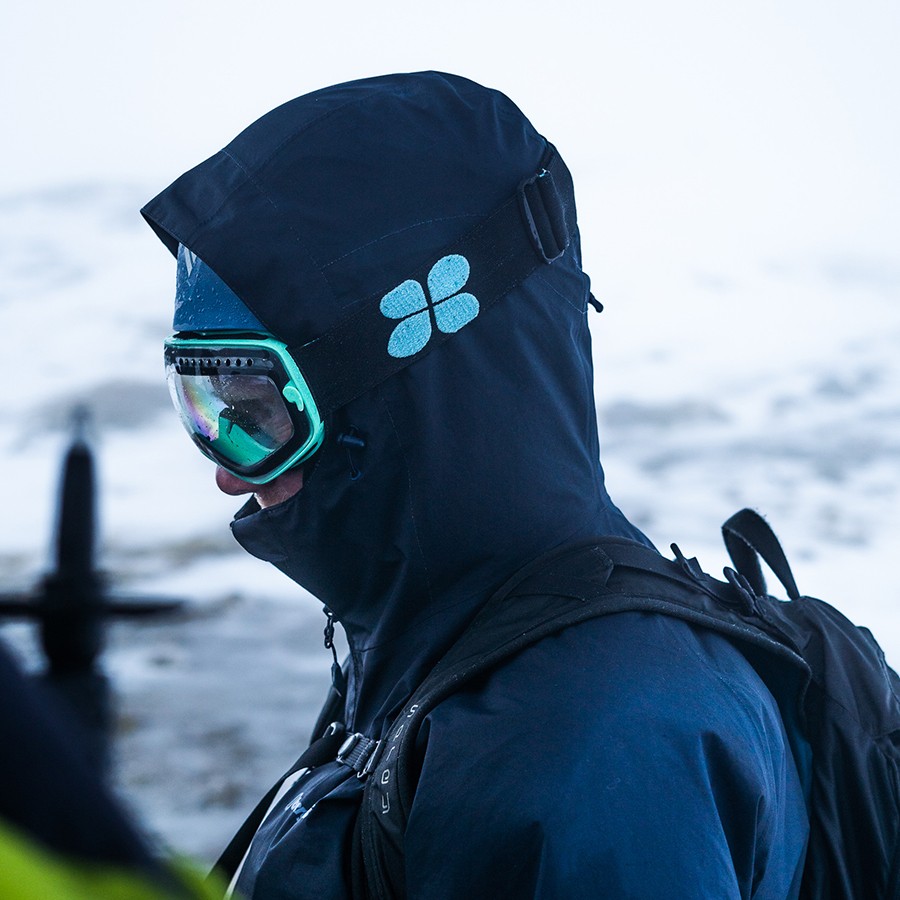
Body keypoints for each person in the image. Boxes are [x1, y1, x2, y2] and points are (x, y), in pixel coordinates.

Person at [143, 72, 809, 899]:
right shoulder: (445, 643)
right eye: (203, 406)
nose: (224, 469)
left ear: (396, 397)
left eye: (255, 411)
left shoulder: (594, 748)